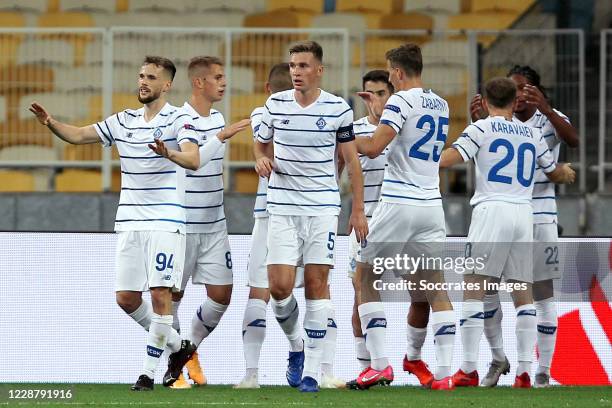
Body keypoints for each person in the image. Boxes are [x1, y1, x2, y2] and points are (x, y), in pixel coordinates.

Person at [29, 56, 201, 391]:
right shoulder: (124, 120)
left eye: (151, 77)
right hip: (129, 221)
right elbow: (79, 135)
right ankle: (179, 347)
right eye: (141, 75)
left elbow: (193, 158)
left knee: (160, 295)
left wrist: (169, 154)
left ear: (166, 84)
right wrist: (51, 122)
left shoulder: (181, 118)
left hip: (165, 221)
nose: (143, 81)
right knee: (126, 298)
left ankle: (148, 375)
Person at [439, 77, 576, 389]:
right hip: (523, 214)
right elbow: (552, 170)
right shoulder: (531, 132)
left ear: (486, 103)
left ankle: (469, 368)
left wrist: (421, 161)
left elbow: (452, 158)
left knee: (474, 286)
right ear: (515, 102)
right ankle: (525, 371)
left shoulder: (482, 127)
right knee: (522, 292)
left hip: (492, 210)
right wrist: (564, 173)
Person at [254, 40, 368, 393]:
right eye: (292, 66)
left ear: (319, 69)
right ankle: (296, 346)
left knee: (318, 284)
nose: (296, 72)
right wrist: (261, 158)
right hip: (283, 207)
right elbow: (261, 143)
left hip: (321, 208)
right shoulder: (274, 104)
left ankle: (313, 373)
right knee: (279, 288)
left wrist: (358, 209)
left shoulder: (337, 109)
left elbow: (351, 162)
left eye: (303, 66)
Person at [354, 43, 456, 390]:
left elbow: (373, 147)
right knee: (435, 287)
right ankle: (444, 374)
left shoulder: (400, 101)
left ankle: (380, 365)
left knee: (365, 276)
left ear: (396, 73)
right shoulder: (441, 103)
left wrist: (341, 135)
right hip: (431, 204)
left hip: (398, 202)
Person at [147, 58, 250, 388]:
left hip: (215, 222)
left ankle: (188, 350)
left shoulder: (217, 116)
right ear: (198, 83)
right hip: (185, 223)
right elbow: (192, 162)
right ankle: (173, 365)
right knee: (171, 297)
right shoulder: (179, 120)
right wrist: (221, 136)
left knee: (222, 295)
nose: (224, 83)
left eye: (224, 77)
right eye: (217, 78)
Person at [234, 62, 294, 389]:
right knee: (317, 291)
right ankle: (316, 365)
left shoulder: (263, 112)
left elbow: (262, 145)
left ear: (267, 88)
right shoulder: (319, 111)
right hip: (309, 212)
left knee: (259, 292)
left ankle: (251, 374)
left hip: (269, 213)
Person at [340, 70, 394, 389]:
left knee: (421, 293)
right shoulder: (353, 131)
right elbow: (337, 164)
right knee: (361, 292)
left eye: (381, 93)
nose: (375, 99)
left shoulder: (401, 129)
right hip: (365, 222)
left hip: (400, 222)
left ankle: (424, 360)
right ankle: (369, 367)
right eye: (369, 93)